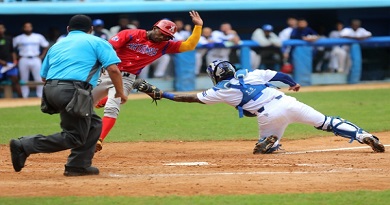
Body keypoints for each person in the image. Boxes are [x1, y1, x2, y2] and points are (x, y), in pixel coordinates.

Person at [142, 60, 385, 154]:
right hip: (288, 101)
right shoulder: (252, 73)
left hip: (267, 115)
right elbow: (278, 73)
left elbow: (191, 99)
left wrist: (162, 94)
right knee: (326, 122)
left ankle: (269, 141)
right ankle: (363, 135)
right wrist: (293, 83)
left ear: (215, 75)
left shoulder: (221, 90)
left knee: (263, 151)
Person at [9, 14, 127, 176]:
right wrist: (120, 93)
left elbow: (43, 76)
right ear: (91, 30)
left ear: (68, 29)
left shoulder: (57, 45)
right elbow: (113, 69)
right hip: (74, 91)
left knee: (93, 125)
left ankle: (78, 165)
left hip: (50, 90)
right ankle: (25, 145)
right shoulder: (98, 42)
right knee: (74, 136)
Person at [93, 10, 203, 152]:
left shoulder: (164, 45)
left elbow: (189, 45)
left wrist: (198, 26)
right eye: (162, 33)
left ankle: (98, 139)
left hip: (127, 78)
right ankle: (99, 104)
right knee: (83, 103)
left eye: (167, 36)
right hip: (107, 72)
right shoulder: (131, 33)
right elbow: (108, 48)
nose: (163, 37)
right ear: (155, 27)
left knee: (112, 108)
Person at [13, 22, 49, 98]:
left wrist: (42, 56)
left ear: (32, 27)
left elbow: (46, 46)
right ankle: (24, 96)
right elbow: (11, 48)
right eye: (26, 27)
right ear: (23, 28)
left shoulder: (38, 36)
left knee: (39, 78)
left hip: (35, 58)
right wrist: (16, 57)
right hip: (23, 58)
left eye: (29, 27)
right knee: (24, 78)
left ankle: (40, 96)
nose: (28, 28)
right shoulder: (18, 38)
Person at [0, 22, 22, 98]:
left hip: (9, 63)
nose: (1, 30)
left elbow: (12, 51)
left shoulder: (8, 38)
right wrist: (1, 61)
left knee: (15, 79)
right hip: (1, 63)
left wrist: (15, 61)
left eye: (2, 28)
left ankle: (21, 97)